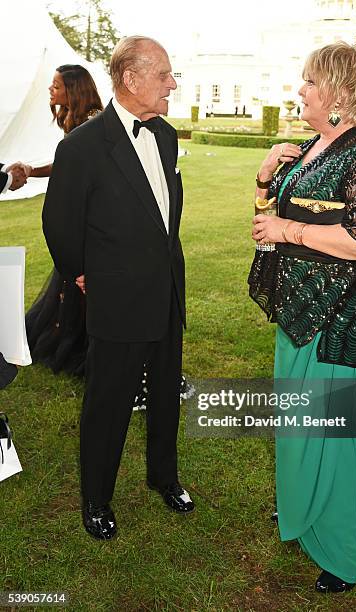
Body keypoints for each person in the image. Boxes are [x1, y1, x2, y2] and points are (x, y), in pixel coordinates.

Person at [248, 42, 356, 592]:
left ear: (337, 92)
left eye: (309, 82)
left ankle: (345, 553)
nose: (300, 90)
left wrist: (290, 231)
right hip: (298, 314)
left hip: (339, 323)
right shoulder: (312, 146)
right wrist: (266, 181)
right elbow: (267, 224)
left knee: (334, 438)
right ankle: (303, 512)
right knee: (297, 427)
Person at [42, 36, 194, 541]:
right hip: (117, 299)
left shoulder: (167, 136)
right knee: (108, 403)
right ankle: (97, 499)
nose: (173, 83)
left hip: (167, 292)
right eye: (165, 74)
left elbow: (163, 216)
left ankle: (164, 477)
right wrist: (80, 271)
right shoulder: (81, 147)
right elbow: (60, 223)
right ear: (131, 80)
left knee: (167, 396)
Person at [25, 64, 103, 377]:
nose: (50, 90)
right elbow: (65, 166)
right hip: (76, 211)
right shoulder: (75, 119)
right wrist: (31, 171)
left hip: (90, 215)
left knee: (81, 281)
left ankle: (86, 344)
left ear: (72, 89)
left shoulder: (95, 120)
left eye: (55, 85)